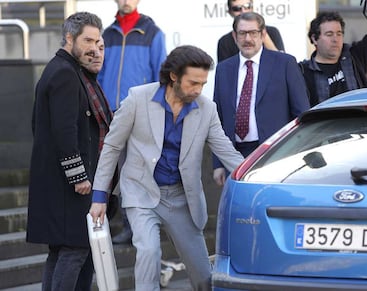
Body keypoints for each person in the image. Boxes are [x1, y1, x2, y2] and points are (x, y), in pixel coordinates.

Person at [89, 45, 244, 291]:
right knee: (149, 251)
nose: (198, 90)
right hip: (141, 191)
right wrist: (100, 196)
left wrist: (255, 175)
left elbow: (225, 150)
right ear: (174, 76)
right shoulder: (137, 99)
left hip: (182, 197)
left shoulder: (206, 108)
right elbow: (112, 146)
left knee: (203, 274)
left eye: (203, 84)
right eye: (193, 83)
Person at [26, 12, 111, 290]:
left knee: (62, 252)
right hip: (71, 187)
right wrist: (79, 177)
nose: (93, 47)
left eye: (98, 41)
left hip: (61, 184)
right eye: (88, 40)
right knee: (74, 251)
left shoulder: (67, 70)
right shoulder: (64, 72)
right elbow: (64, 131)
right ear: (70, 38)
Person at [213, 12, 310, 186]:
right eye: (242, 33)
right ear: (235, 36)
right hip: (233, 155)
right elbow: (217, 119)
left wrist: (297, 155)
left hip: (274, 153)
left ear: (263, 34)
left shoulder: (285, 64)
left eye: (253, 33)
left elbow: (301, 114)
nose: (247, 39)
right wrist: (217, 163)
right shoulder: (223, 69)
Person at [98, 0, 167, 244]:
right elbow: (100, 73)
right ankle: (123, 225)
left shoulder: (152, 32)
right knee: (115, 173)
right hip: (111, 115)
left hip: (140, 113)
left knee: (136, 173)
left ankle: (140, 227)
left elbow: (162, 75)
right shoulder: (107, 34)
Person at [298, 11, 367, 106]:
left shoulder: (353, 56)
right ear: (314, 39)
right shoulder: (303, 72)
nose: (335, 39)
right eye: (329, 34)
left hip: (358, 119)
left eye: (339, 34)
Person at [217, 0, 285, 63]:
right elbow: (225, 71)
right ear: (230, 12)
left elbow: (281, 63)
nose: (243, 11)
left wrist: (263, 35)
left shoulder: (272, 32)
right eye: (237, 9)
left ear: (252, 7)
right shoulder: (224, 41)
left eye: (247, 6)